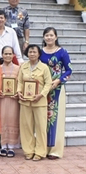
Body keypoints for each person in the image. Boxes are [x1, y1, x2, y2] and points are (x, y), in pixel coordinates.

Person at [40, 27, 72, 159]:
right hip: (42, 90)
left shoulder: (62, 52)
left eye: (51, 35)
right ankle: (42, 147)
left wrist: (59, 80)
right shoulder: (40, 52)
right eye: (46, 35)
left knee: (54, 118)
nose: (49, 38)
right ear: (43, 38)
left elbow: (69, 70)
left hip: (56, 89)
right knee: (42, 117)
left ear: (56, 37)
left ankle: (54, 149)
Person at [17, 44, 52, 161]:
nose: (32, 54)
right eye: (30, 52)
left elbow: (48, 83)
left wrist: (41, 95)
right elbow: (20, 82)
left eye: (34, 52)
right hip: (25, 102)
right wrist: (19, 92)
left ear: (39, 54)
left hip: (39, 101)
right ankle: (28, 151)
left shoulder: (44, 67)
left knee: (41, 128)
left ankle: (40, 152)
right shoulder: (23, 66)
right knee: (26, 127)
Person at [0, 46, 20, 157]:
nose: (7, 56)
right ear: (2, 55)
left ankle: (11, 146)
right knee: (2, 119)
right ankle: (2, 145)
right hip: (1, 99)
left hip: (13, 99)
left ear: (13, 55)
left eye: (10, 54)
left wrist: (18, 92)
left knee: (13, 119)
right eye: (5, 54)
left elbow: (21, 82)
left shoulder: (18, 68)